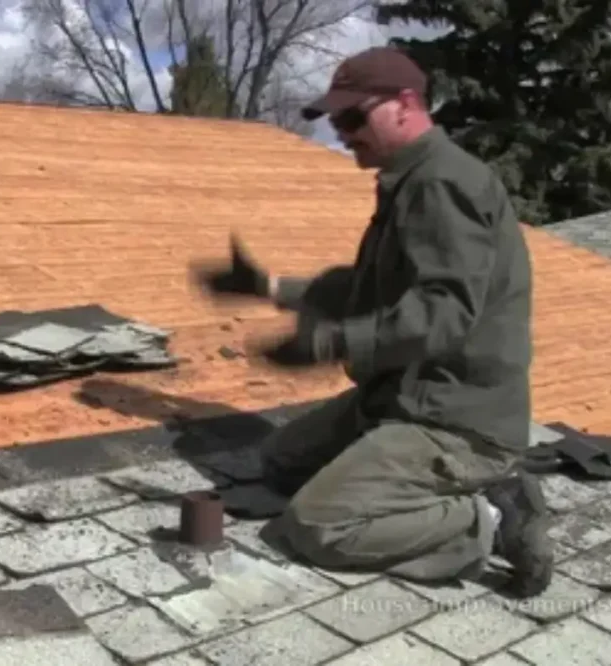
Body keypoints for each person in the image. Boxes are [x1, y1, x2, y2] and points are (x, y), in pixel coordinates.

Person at [190, 46, 551, 597]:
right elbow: (364, 291)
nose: (343, 133)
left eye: (355, 118)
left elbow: (443, 314)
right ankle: (406, 486)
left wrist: (328, 343)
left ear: (406, 104)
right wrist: (265, 285)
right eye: (337, 121)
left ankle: (490, 518)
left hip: (455, 419)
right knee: (282, 463)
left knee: (317, 525)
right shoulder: (409, 181)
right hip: (400, 396)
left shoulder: (442, 184)